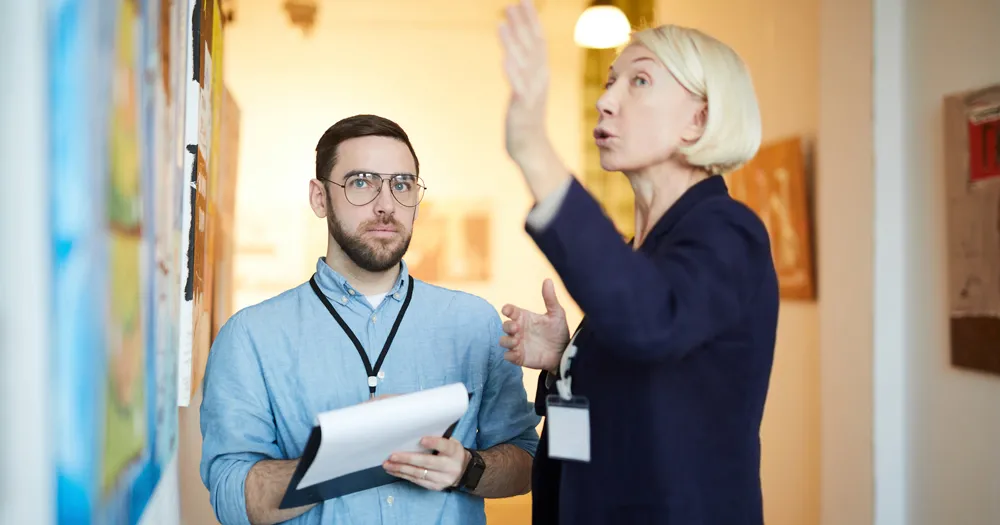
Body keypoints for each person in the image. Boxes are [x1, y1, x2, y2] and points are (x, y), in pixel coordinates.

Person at [496, 2, 779, 524]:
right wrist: (567, 357)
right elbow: (648, 372)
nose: (605, 100)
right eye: (609, 82)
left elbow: (652, 323)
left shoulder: (728, 230)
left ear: (699, 118)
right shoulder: (641, 254)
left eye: (639, 82)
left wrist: (535, 149)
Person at [200, 114, 541, 525]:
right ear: (319, 198)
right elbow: (232, 497)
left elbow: (527, 463)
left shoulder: (475, 322)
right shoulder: (250, 336)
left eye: (402, 185)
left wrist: (467, 468)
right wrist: (347, 454)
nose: (386, 205)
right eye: (361, 182)